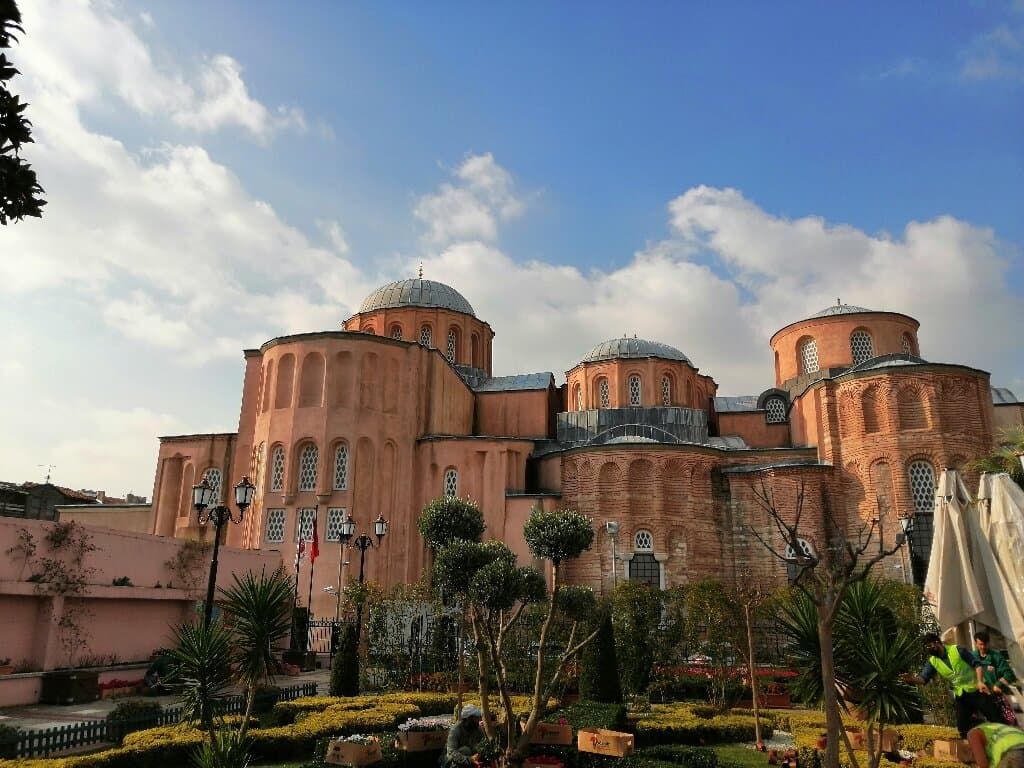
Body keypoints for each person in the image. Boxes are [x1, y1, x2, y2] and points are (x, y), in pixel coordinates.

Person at [903, 633, 1004, 738]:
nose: (929, 649)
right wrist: (911, 679)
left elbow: (977, 664)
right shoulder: (933, 662)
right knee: (962, 727)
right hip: (961, 695)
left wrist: (980, 682)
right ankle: (970, 749)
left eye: (929, 646)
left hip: (977, 690)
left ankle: (1007, 741)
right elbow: (923, 679)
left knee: (995, 718)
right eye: (926, 647)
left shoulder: (957, 650)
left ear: (937, 642)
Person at [975, 631, 1020, 725]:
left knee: (1008, 722)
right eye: (980, 644)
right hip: (980, 695)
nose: (983, 647)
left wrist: (998, 685)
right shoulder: (972, 657)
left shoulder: (996, 656)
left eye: (985, 644)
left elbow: (1009, 674)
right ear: (976, 644)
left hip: (998, 695)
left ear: (989, 643)